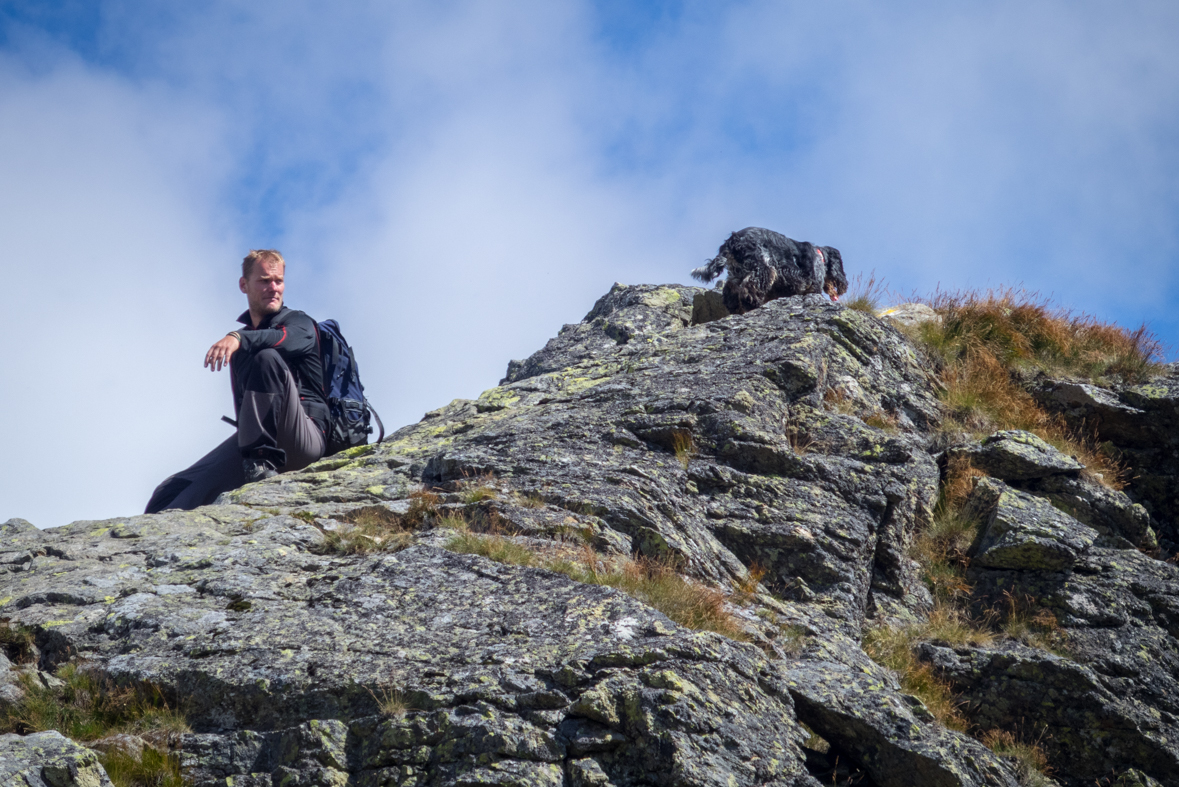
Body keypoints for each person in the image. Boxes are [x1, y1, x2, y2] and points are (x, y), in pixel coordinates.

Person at [145, 250, 329, 513]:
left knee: (267, 358)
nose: (273, 288)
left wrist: (238, 338)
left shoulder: (299, 323)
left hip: (305, 440)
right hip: (257, 444)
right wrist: (240, 339)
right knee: (170, 491)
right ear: (244, 285)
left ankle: (260, 466)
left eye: (278, 281)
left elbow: (282, 340)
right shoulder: (242, 342)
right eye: (264, 281)